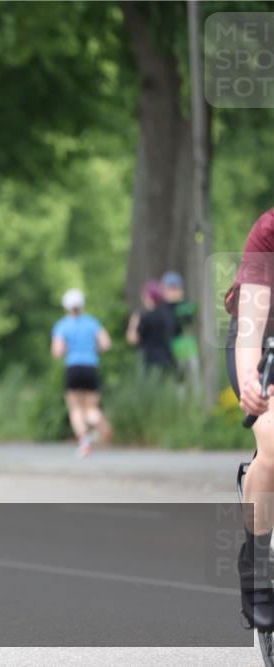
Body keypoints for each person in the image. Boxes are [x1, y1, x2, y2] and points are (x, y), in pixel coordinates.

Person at [225, 207, 274, 632]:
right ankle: (257, 566)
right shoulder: (268, 231)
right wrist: (249, 384)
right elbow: (250, 333)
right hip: (261, 349)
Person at [51, 288, 112, 458]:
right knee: (91, 406)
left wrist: (68, 350)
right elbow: (106, 344)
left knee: (76, 407)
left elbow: (57, 351)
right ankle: (99, 422)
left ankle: (84, 442)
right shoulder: (92, 322)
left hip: (73, 367)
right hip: (91, 366)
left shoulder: (62, 325)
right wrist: (93, 350)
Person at [126, 280, 176, 374]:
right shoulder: (168, 315)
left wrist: (133, 323)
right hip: (167, 359)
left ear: (149, 297)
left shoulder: (146, 317)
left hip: (150, 362)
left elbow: (133, 340)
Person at [160, 271, 199, 379]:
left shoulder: (185, 305)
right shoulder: (162, 308)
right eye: (169, 289)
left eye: (175, 288)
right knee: (178, 375)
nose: (172, 292)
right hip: (171, 345)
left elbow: (189, 317)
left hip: (187, 343)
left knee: (194, 373)